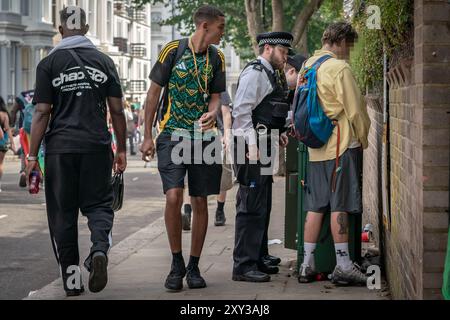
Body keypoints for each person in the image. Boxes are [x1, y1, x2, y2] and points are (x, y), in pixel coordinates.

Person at [26, 6, 127, 296]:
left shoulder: (48, 64)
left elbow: (42, 112)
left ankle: (72, 284)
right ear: (85, 28)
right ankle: (99, 251)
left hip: (60, 150)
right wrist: (120, 149)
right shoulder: (105, 61)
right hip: (96, 147)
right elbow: (117, 111)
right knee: (99, 206)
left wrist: (32, 156)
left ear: (60, 30)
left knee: (63, 216)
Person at [140, 5, 226, 291]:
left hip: (203, 138)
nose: (222, 33)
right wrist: (147, 135)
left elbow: (215, 98)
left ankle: (194, 265)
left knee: (200, 200)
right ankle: (176, 262)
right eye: (220, 28)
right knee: (174, 195)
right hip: (172, 135)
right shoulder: (172, 51)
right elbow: (153, 94)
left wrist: (213, 113)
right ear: (205, 26)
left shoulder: (217, 58)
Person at [297, 22, 371, 286]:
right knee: (339, 205)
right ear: (340, 42)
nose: (348, 52)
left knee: (315, 206)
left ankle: (306, 264)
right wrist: (363, 138)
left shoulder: (307, 67)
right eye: (348, 46)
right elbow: (356, 111)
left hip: (315, 149)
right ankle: (342, 265)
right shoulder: (339, 68)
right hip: (339, 147)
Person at [231, 32, 292, 282]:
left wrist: (277, 134)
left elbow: (264, 111)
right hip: (250, 148)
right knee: (250, 205)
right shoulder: (255, 73)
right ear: (268, 48)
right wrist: (253, 146)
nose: (286, 57)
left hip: (263, 145)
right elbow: (242, 112)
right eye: (283, 52)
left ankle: (257, 256)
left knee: (262, 203)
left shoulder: (269, 72)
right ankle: (243, 266)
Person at [181, 90, 234, 230]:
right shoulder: (200, 86)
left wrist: (226, 134)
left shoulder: (217, 88)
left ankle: (192, 211)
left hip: (210, 135)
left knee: (217, 174)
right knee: (218, 173)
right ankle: (218, 212)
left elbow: (226, 112)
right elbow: (226, 112)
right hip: (200, 135)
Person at [10, 90, 35, 187]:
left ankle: (24, 171)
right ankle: (39, 177)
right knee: (41, 152)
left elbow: (13, 111)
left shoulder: (23, 95)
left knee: (25, 151)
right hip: (42, 128)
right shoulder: (45, 92)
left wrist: (11, 126)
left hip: (25, 128)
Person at [0, 96, 15, 192]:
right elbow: (8, 129)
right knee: (0, 164)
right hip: (2, 142)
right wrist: (12, 142)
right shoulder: (4, 115)